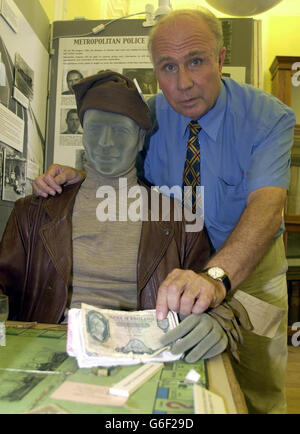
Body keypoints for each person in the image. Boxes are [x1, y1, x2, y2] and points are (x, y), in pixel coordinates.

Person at [32, 9, 296, 413]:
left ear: (221, 58)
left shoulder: (268, 118)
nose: (183, 83)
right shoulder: (149, 116)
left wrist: (216, 278)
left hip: (251, 269)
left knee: (256, 386)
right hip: (175, 267)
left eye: (196, 61)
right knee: (181, 379)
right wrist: (79, 176)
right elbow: (118, 165)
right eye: (168, 67)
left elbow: (267, 205)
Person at [0, 70, 250, 367]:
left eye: (119, 131)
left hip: (142, 356)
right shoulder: (33, 212)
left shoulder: (180, 221)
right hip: (50, 351)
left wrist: (217, 322)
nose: (105, 142)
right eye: (94, 129)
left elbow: (207, 289)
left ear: (141, 139)